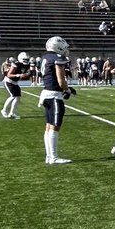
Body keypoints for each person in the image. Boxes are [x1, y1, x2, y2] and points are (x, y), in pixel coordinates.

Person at [39, 35, 74, 165]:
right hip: (53, 95)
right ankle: (53, 157)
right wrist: (68, 89)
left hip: (45, 94)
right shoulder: (57, 58)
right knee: (54, 127)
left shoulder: (45, 57)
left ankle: (49, 156)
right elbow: (61, 80)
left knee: (48, 126)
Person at [0, 52, 31, 119]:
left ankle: (12, 113)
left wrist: (26, 75)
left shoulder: (27, 65)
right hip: (8, 81)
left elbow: (25, 73)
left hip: (15, 82)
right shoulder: (16, 64)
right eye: (24, 59)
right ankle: (4, 110)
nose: (26, 61)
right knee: (13, 96)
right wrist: (19, 75)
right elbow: (9, 75)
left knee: (18, 97)